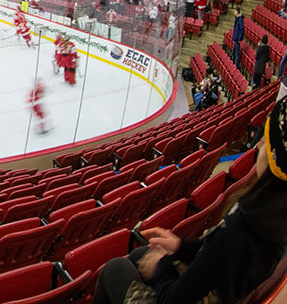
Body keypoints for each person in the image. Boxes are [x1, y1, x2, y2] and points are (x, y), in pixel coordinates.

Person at [91, 95, 287, 304]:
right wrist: (180, 246)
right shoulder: (271, 214)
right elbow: (214, 258)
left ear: (277, 159)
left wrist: (162, 264)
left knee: (114, 269)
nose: (257, 147)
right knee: (140, 253)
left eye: (265, 141)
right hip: (221, 288)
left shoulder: (242, 228)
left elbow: (172, 300)